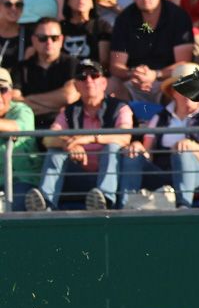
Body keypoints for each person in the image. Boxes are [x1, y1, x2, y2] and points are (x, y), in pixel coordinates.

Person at [25, 59, 133, 212]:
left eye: (94, 76)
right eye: (82, 77)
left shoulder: (120, 108)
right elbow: (48, 138)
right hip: (79, 175)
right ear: (76, 86)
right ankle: (45, 205)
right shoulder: (69, 111)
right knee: (56, 151)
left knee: (112, 147)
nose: (88, 80)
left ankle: (105, 201)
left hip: (114, 176)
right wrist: (68, 144)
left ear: (104, 83)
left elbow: (124, 137)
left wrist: (89, 138)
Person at [119, 67, 199, 207]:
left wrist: (190, 146)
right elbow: (148, 153)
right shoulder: (159, 118)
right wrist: (137, 147)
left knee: (183, 153)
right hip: (163, 177)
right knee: (133, 154)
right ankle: (125, 206)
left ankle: (183, 207)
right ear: (174, 92)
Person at [108, 0, 196, 102]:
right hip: (134, 82)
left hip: (167, 83)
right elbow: (116, 66)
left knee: (188, 72)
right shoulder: (124, 19)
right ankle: (122, 115)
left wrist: (155, 74)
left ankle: (175, 115)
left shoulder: (178, 16)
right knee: (110, 84)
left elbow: (184, 63)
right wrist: (134, 73)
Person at [0, 70, 39, 206]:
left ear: (11, 92)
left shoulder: (22, 110)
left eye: (2, 90)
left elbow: (17, 127)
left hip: (23, 180)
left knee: (16, 205)